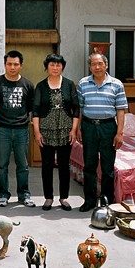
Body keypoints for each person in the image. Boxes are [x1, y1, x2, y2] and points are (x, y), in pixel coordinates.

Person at [75, 51, 127, 212]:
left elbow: (121, 110)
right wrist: (78, 129)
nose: (97, 67)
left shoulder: (117, 84)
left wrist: (119, 133)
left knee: (107, 167)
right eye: (93, 64)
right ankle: (89, 200)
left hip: (108, 128)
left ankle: (106, 201)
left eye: (100, 64)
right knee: (89, 165)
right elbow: (80, 109)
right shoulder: (83, 84)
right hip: (89, 127)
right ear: (89, 67)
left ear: (106, 65)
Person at [31, 53, 81, 211]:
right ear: (47, 67)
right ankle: (48, 198)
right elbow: (36, 110)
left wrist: (74, 130)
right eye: (52, 65)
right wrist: (37, 132)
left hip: (66, 131)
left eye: (58, 65)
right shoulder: (40, 86)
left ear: (62, 67)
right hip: (46, 131)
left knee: (64, 165)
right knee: (46, 165)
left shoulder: (69, 85)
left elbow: (76, 108)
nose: (55, 68)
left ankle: (64, 198)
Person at [0, 50, 36, 207]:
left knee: (22, 165)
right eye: (9, 64)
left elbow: (30, 107)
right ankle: (3, 195)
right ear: (5, 65)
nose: (12, 67)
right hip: (3, 130)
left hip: (22, 129)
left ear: (21, 65)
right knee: (2, 165)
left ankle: (24, 194)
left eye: (16, 64)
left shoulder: (27, 85)